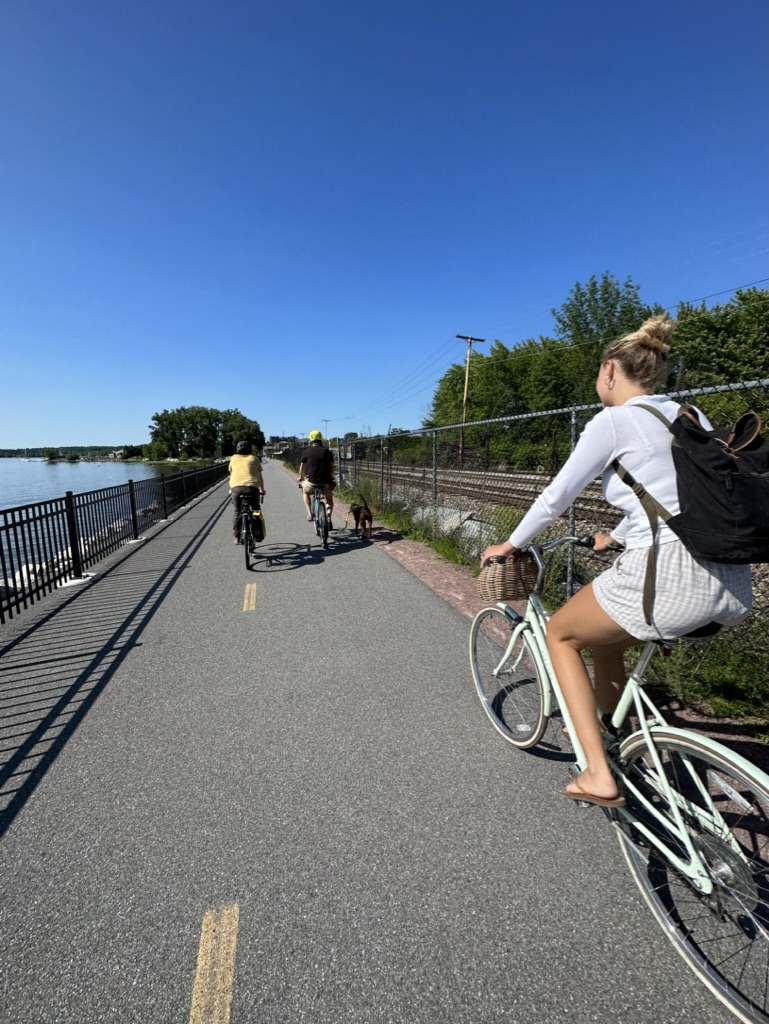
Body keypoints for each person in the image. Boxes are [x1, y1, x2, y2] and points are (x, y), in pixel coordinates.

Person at [481, 315, 753, 808]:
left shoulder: (613, 420)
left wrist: (512, 545)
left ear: (610, 370)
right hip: (731, 579)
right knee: (606, 645)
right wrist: (618, 534)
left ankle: (597, 772)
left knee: (560, 633)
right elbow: (682, 496)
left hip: (669, 577)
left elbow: (555, 498)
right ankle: (611, 736)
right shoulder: (689, 414)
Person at [228, 440, 265, 543]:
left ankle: (236, 536)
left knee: (237, 511)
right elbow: (259, 476)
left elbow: (232, 474)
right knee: (256, 509)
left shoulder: (233, 458)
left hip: (236, 488)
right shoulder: (255, 459)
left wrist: (231, 489)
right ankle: (257, 532)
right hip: (252, 488)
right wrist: (262, 490)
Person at [298, 430, 335, 526]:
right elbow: (331, 467)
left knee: (305, 491)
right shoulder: (327, 452)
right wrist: (331, 476)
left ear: (311, 440)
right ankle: (328, 517)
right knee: (329, 498)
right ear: (320, 439)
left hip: (312, 482)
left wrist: (301, 478)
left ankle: (310, 514)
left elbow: (302, 468)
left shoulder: (306, 452)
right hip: (326, 482)